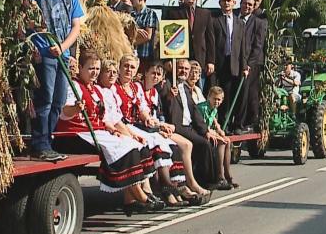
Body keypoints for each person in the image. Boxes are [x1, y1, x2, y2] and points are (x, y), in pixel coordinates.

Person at [54, 51, 164, 215]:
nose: (95, 72)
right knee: (125, 148)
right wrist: (76, 108)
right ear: (81, 68)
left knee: (133, 144)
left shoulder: (96, 90)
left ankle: (134, 197)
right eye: (91, 68)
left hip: (96, 131)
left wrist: (113, 129)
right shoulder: (74, 86)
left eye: (97, 69)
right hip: (75, 133)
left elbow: (104, 117)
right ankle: (140, 197)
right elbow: (64, 113)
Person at [99, 58, 190, 208]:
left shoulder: (135, 87)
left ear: (136, 70)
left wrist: (148, 119)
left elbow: (143, 109)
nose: (128, 70)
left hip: (135, 124)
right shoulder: (114, 88)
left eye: (132, 67)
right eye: (125, 67)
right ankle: (155, 189)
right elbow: (116, 116)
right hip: (126, 125)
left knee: (167, 144)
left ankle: (170, 187)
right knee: (147, 143)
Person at [30, 0, 85, 161]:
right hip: (43, 49)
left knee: (59, 100)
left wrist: (64, 47)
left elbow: (76, 26)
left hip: (61, 51)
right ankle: (40, 142)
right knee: (44, 97)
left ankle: (48, 140)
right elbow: (27, 15)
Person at [130, 60, 210, 201]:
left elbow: (159, 113)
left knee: (186, 145)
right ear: (146, 73)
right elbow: (144, 114)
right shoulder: (140, 88)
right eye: (153, 73)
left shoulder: (154, 91)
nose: (155, 76)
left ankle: (185, 184)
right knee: (169, 146)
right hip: (143, 128)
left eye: (158, 74)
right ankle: (168, 188)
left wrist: (163, 124)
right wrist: (161, 125)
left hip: (155, 127)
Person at [161, 58, 220, 188]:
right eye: (181, 68)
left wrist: (205, 130)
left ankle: (214, 178)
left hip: (190, 125)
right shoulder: (168, 84)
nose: (184, 71)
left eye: (186, 69)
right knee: (203, 144)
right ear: (175, 68)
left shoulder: (186, 87)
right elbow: (163, 104)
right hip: (177, 126)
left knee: (209, 140)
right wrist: (169, 97)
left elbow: (194, 111)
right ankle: (206, 181)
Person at [163, 0, 215, 89]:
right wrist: (167, 59)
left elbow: (210, 39)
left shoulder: (205, 13)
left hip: (200, 59)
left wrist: (211, 61)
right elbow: (166, 37)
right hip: (180, 59)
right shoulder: (172, 13)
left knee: (198, 91)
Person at [211, 0, 247, 128]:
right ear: (220, 3)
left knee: (231, 96)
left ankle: (230, 125)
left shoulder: (240, 23)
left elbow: (242, 47)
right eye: (224, 1)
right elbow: (211, 42)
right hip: (218, 63)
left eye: (229, 1)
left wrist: (244, 66)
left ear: (234, 3)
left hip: (233, 64)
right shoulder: (214, 20)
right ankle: (218, 124)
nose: (226, 3)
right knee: (217, 94)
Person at [235, 0, 266, 134]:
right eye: (245, 3)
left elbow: (257, 46)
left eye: (250, 5)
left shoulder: (258, 23)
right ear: (240, 3)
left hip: (250, 64)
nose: (246, 7)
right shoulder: (235, 19)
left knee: (246, 94)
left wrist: (248, 64)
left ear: (254, 8)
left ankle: (242, 124)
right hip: (234, 62)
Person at [197, 86, 237, 190]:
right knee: (221, 142)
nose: (216, 102)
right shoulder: (203, 108)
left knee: (227, 141)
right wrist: (216, 134)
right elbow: (203, 125)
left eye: (219, 99)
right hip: (200, 132)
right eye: (214, 99)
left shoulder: (214, 109)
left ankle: (228, 175)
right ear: (209, 97)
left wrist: (219, 129)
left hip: (209, 131)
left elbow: (214, 120)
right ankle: (220, 176)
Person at [129, 0, 158, 72]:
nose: (131, 0)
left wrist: (131, 42)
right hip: (132, 56)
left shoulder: (150, 14)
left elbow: (147, 36)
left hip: (145, 56)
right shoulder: (131, 15)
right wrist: (136, 32)